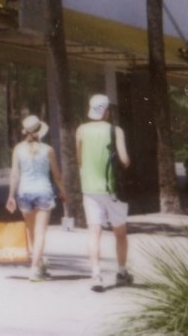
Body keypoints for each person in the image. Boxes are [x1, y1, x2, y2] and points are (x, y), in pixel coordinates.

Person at [76, 93, 132, 292]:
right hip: (112, 188)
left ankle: (96, 275)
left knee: (94, 232)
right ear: (107, 112)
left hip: (89, 188)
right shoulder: (115, 130)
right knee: (120, 233)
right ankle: (122, 271)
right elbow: (124, 159)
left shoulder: (81, 130)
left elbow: (79, 160)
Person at [5, 114, 66, 282]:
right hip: (43, 192)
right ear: (40, 131)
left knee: (31, 231)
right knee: (40, 233)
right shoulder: (48, 150)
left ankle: (38, 264)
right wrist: (63, 191)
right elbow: (57, 175)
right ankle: (34, 268)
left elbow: (14, 174)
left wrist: (11, 195)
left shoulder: (18, 149)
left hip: (24, 192)